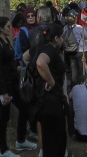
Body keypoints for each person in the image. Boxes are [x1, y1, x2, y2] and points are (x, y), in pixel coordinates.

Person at [0, 16, 36, 157]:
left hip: (13, 84)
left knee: (24, 108)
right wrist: (3, 92)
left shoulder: (6, 42)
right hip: (4, 87)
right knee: (3, 117)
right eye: (8, 26)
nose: (10, 28)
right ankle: (3, 150)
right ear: (1, 28)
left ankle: (20, 140)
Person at [30, 22, 68, 157]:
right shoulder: (49, 49)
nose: (63, 39)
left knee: (50, 138)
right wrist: (50, 80)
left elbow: (25, 57)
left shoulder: (40, 47)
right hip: (51, 100)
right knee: (55, 140)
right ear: (56, 38)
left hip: (44, 99)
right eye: (62, 36)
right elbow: (40, 63)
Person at [62, 8, 87, 86]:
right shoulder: (79, 28)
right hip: (80, 51)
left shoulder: (65, 28)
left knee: (74, 71)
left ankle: (74, 87)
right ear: (75, 18)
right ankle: (83, 86)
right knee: (82, 70)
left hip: (70, 52)